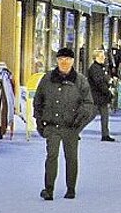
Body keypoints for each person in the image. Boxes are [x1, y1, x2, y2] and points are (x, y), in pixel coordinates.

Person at [34, 47, 95, 200]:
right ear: (57, 60)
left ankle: (71, 189)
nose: (64, 62)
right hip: (52, 125)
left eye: (67, 59)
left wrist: (79, 122)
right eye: (61, 59)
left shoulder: (80, 81)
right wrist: (39, 121)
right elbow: (38, 100)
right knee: (51, 156)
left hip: (71, 127)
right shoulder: (47, 79)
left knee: (71, 158)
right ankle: (49, 189)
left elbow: (88, 104)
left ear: (73, 61)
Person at [87, 49, 115, 141]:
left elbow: (104, 80)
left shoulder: (102, 67)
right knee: (90, 115)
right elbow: (99, 82)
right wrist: (107, 91)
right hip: (96, 96)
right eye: (101, 56)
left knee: (105, 115)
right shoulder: (94, 68)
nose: (104, 58)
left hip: (102, 96)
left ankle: (105, 134)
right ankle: (75, 130)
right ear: (96, 58)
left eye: (104, 56)